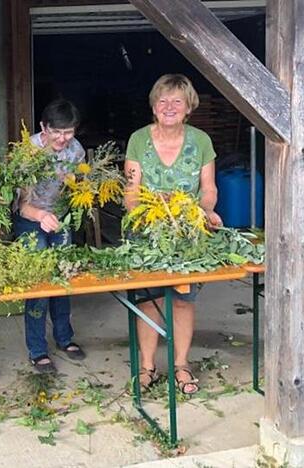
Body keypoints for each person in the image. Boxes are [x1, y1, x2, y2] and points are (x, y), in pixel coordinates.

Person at [124, 74, 222, 395]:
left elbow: (208, 189)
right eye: (163, 101)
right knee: (149, 300)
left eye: (177, 101)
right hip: (148, 234)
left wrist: (205, 211)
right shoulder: (138, 139)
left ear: (188, 107)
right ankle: (146, 367)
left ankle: (181, 365)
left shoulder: (201, 141)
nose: (169, 107)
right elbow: (131, 192)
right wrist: (144, 212)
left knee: (182, 301)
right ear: (153, 106)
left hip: (187, 235)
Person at [14, 99, 87, 374]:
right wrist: (40, 216)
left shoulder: (76, 150)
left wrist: (78, 189)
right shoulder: (27, 154)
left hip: (59, 217)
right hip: (30, 218)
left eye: (68, 131)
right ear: (44, 127)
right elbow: (19, 203)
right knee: (40, 283)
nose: (62, 138)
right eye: (56, 131)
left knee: (63, 277)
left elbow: (79, 184)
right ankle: (37, 349)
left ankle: (64, 338)